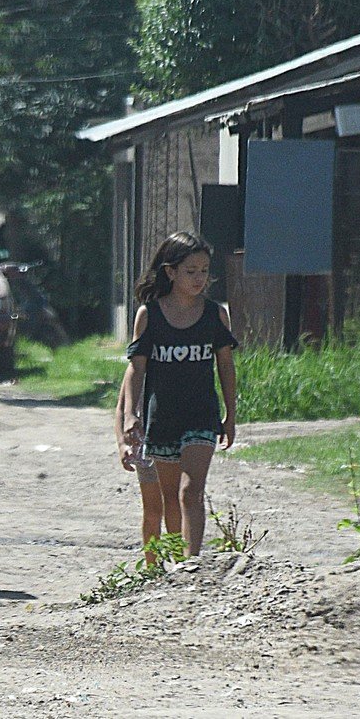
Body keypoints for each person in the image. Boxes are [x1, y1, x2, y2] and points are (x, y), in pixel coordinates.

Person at [118, 232, 238, 558]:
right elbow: (136, 370)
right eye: (191, 271)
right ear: (170, 272)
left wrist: (230, 414)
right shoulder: (150, 315)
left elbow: (226, 367)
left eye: (204, 270)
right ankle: (168, 565)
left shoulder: (216, 315)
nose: (199, 278)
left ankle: (191, 565)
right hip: (162, 418)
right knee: (168, 498)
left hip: (201, 414)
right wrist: (130, 415)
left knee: (191, 492)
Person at [113, 370, 163, 566]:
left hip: (175, 441)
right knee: (152, 510)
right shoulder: (136, 370)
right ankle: (152, 566)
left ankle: (182, 561)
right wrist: (122, 444)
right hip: (145, 443)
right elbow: (120, 410)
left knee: (177, 503)